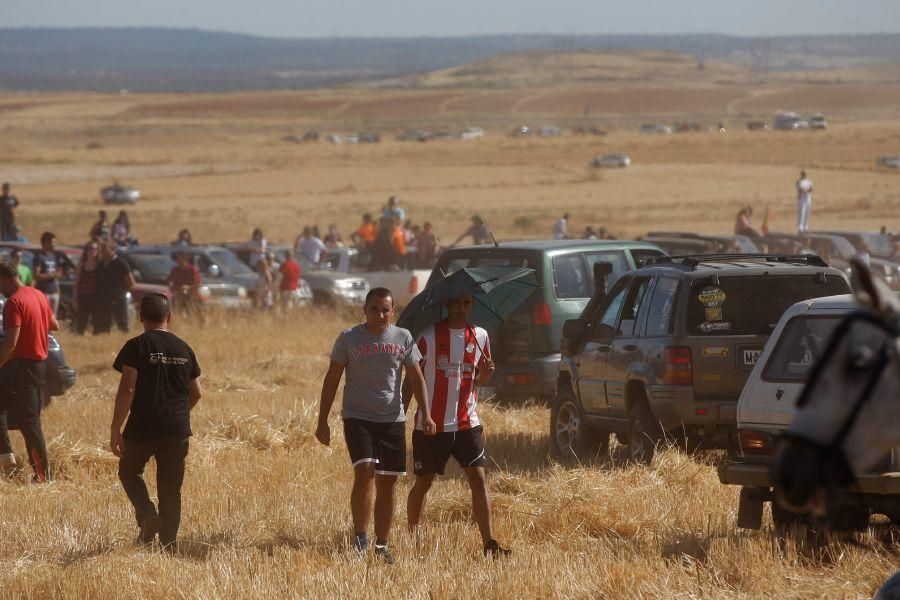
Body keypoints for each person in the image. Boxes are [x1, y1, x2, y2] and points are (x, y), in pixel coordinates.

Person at [316, 288, 436, 563]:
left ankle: (382, 544)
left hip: (392, 419)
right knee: (365, 471)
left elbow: (416, 378)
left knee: (388, 482)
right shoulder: (349, 338)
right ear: (364, 310)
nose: (380, 315)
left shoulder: (403, 337)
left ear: (392, 311)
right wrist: (322, 420)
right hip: (358, 417)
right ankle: (360, 537)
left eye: (385, 309)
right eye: (374, 309)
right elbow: (333, 378)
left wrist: (426, 414)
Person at [404, 294, 510, 558]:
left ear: (472, 306)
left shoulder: (481, 336)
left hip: (467, 423)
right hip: (431, 426)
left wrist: (487, 373)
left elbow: (477, 380)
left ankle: (489, 544)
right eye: (455, 303)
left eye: (466, 304)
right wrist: (400, 414)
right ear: (447, 305)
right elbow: (412, 379)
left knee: (478, 479)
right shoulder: (428, 336)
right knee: (424, 482)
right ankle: (413, 536)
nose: (460, 309)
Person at [110, 293, 202, 552]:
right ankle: (168, 545)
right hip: (177, 429)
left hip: (143, 427)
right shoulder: (184, 348)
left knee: (129, 470)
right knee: (171, 488)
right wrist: (179, 413)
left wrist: (116, 427)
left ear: (141, 318)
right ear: (169, 317)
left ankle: (147, 515)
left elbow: (128, 388)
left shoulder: (136, 346)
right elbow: (197, 392)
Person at [0, 261, 58, 481]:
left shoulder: (13, 302)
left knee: (29, 422)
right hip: (38, 365)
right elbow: (54, 324)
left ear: (4, 278)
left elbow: (11, 342)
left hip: (21, 366)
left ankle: (43, 476)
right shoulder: (37, 294)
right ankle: (7, 461)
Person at [96, 239, 135, 333]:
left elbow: (131, 283)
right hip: (104, 300)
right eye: (101, 249)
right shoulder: (101, 264)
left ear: (112, 250)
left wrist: (120, 294)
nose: (102, 251)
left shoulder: (121, 263)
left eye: (104, 249)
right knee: (104, 326)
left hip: (118, 300)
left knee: (122, 325)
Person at [32, 231, 73, 315]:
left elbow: (56, 276)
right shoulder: (39, 257)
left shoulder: (53, 256)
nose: (54, 244)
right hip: (44, 293)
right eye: (52, 242)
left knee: (52, 319)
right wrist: (53, 275)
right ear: (46, 242)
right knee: (43, 318)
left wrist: (58, 291)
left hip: (54, 292)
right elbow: (36, 276)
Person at [72, 241, 102, 334]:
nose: (93, 251)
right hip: (83, 297)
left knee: (97, 324)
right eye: (90, 248)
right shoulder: (81, 265)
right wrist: (75, 299)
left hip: (95, 298)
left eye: (95, 249)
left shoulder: (100, 265)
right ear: (86, 251)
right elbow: (77, 283)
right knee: (81, 323)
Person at [167, 252, 203, 320]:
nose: (180, 261)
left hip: (190, 295)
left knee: (191, 312)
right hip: (177, 295)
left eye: (182, 258)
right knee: (176, 311)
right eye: (178, 259)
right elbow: (169, 280)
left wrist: (188, 287)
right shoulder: (175, 270)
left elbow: (198, 283)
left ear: (186, 259)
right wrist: (170, 285)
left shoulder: (192, 270)